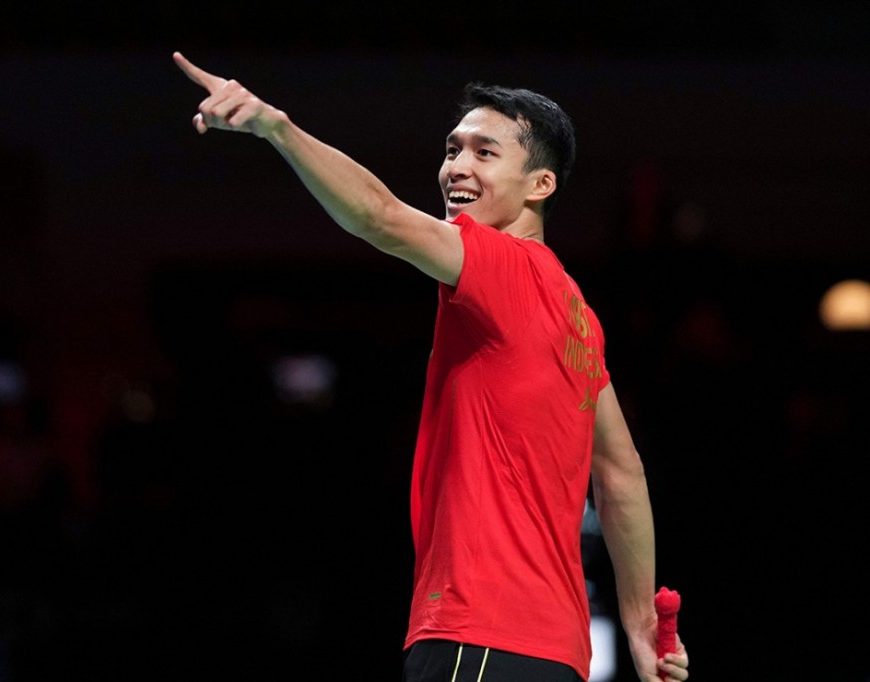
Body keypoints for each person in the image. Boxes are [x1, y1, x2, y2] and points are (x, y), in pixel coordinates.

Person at [172, 51, 690, 682]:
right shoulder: (578, 315)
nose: (455, 167)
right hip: (557, 653)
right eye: (452, 149)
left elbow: (380, 217)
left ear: (541, 184)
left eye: (484, 152)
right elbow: (621, 473)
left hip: (479, 637)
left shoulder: (504, 265)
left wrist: (274, 125)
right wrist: (640, 626)